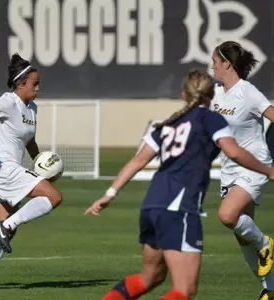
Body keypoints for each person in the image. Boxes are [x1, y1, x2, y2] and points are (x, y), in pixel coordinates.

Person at [85, 70, 274, 299]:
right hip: (179, 210)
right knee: (184, 290)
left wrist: (110, 193)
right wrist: (269, 170)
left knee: (150, 278)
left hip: (151, 206)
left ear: (184, 95)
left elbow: (138, 160)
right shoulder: (210, 118)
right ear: (211, 95)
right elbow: (233, 152)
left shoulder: (169, 123)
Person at [0, 53, 63, 289]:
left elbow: (29, 141)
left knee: (8, 230)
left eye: (39, 84)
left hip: (0, 172)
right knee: (54, 197)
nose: (38, 88)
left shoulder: (32, 108)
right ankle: (5, 226)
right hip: (2, 169)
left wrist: (40, 163)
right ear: (20, 84)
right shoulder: (9, 101)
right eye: (34, 84)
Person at [211, 41, 274, 299]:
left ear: (227, 63)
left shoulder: (248, 92)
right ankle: (270, 290)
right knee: (242, 236)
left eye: (215, 61)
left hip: (255, 164)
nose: (212, 66)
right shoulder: (215, 94)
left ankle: (267, 244)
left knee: (227, 215)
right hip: (230, 169)